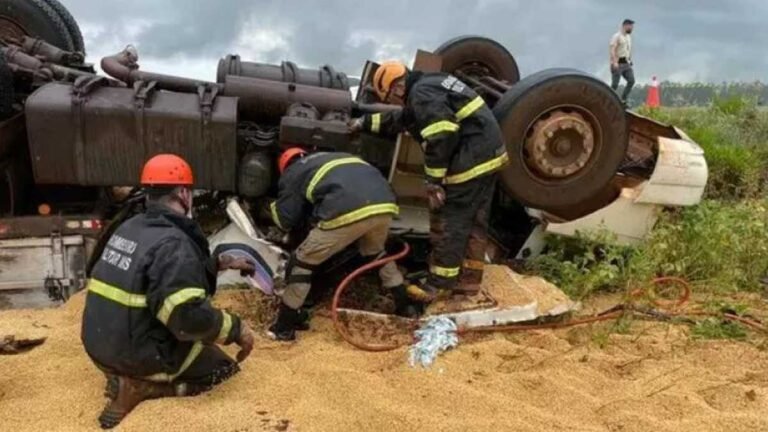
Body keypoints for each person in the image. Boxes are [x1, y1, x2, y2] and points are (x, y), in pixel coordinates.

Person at [81, 154, 257, 429]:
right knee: (222, 369)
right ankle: (148, 388)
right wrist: (235, 329)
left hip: (99, 346)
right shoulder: (174, 245)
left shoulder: (131, 226)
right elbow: (186, 319)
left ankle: (121, 376)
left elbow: (153, 273)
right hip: (135, 355)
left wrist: (218, 265)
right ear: (184, 194)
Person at [349, 61, 507, 304]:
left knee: (451, 220)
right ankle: (468, 283)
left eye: (390, 96)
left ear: (398, 88)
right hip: (488, 154)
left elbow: (441, 133)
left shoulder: (421, 94)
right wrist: (364, 123)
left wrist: (433, 180)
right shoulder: (429, 84)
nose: (393, 102)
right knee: (475, 221)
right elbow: (401, 119)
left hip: (471, 158)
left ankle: (439, 285)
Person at [268, 148, 419, 341]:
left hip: (346, 211)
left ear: (285, 166)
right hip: (384, 205)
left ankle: (284, 327)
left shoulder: (294, 171)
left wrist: (271, 208)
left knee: (302, 263)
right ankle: (406, 306)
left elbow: (285, 219)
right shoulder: (338, 157)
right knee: (376, 254)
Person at [610, 18, 636, 105]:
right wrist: (614, 62)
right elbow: (612, 49)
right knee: (615, 85)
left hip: (626, 63)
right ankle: (608, 99)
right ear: (625, 26)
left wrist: (630, 59)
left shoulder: (629, 37)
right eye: (630, 27)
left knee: (631, 80)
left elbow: (628, 49)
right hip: (618, 63)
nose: (631, 29)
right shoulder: (617, 36)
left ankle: (623, 99)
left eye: (632, 27)